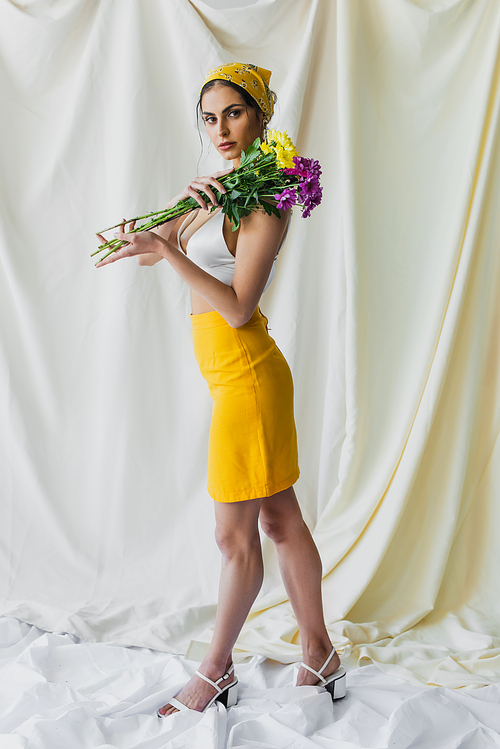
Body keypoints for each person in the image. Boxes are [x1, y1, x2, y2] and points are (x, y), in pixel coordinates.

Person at [95, 62, 346, 716]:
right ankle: (320, 656)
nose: (221, 128)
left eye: (234, 113)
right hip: (231, 380)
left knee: (236, 538)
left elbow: (237, 307)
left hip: (250, 380)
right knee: (280, 519)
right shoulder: (230, 189)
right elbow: (179, 252)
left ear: (261, 116)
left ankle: (215, 669)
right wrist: (178, 220)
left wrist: (172, 250)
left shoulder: (266, 199)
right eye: (209, 117)